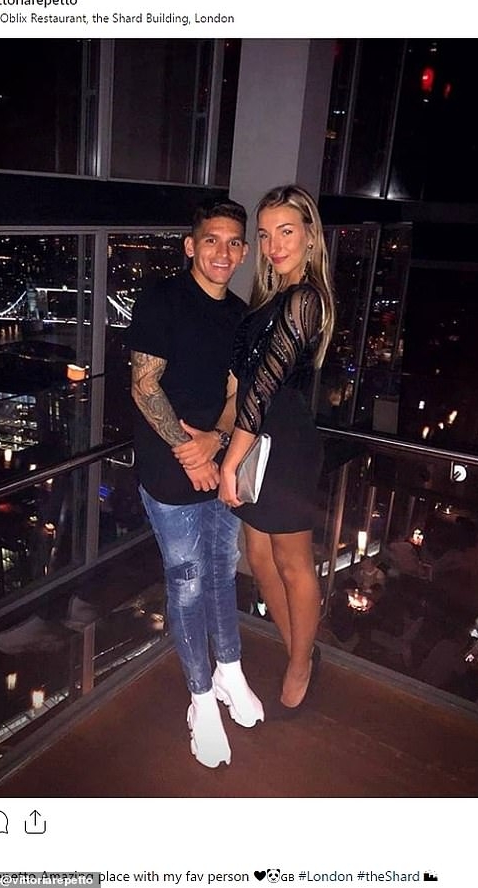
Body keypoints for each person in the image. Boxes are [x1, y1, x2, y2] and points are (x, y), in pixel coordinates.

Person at [129, 198, 264, 769]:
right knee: (186, 582)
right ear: (191, 245)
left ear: (244, 251)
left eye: (234, 242)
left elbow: (238, 392)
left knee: (221, 568)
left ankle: (229, 669)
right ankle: (201, 699)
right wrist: (191, 453)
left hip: (220, 460)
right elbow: (144, 385)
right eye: (212, 239)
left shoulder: (240, 315)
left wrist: (216, 440)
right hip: (170, 470)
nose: (223, 252)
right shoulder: (162, 299)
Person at [215, 184, 336, 714]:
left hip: (285, 448)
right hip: (254, 439)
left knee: (292, 563)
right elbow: (240, 384)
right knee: (259, 557)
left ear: (310, 236)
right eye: (264, 235)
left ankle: (301, 662)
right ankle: (299, 648)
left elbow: (263, 388)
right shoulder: (268, 300)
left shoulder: (305, 298)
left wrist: (229, 461)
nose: (273, 245)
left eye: (286, 231)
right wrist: (214, 434)